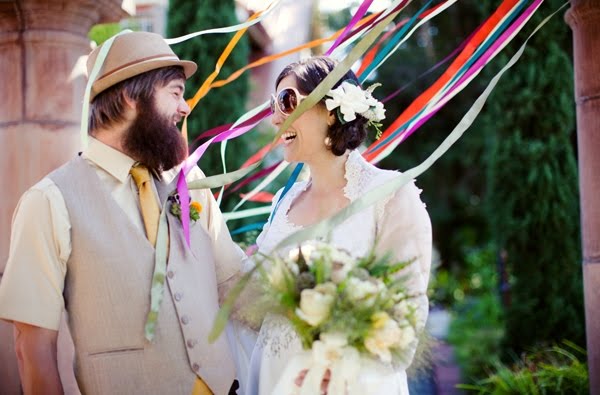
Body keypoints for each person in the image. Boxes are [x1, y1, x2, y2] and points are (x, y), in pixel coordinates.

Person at [0, 31, 246, 395]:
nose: (186, 107)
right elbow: (32, 347)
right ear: (132, 96)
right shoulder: (49, 201)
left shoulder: (189, 181)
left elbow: (236, 283)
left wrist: (322, 295)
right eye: (175, 93)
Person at [245, 56, 432, 394]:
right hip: (275, 379)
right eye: (273, 105)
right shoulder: (283, 204)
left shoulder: (390, 196)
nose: (275, 118)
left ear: (332, 109)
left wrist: (347, 366)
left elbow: (409, 313)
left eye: (287, 102)